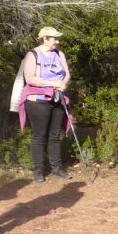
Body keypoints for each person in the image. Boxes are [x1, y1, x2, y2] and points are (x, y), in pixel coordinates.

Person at [19, 26, 72, 182]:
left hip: (57, 98)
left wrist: (63, 83)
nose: (57, 41)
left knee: (55, 135)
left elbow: (67, 73)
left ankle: (56, 168)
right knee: (39, 136)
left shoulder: (59, 54)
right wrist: (52, 83)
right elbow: (30, 78)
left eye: (57, 38)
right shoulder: (33, 55)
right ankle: (38, 171)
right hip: (37, 100)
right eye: (54, 38)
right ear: (45, 39)